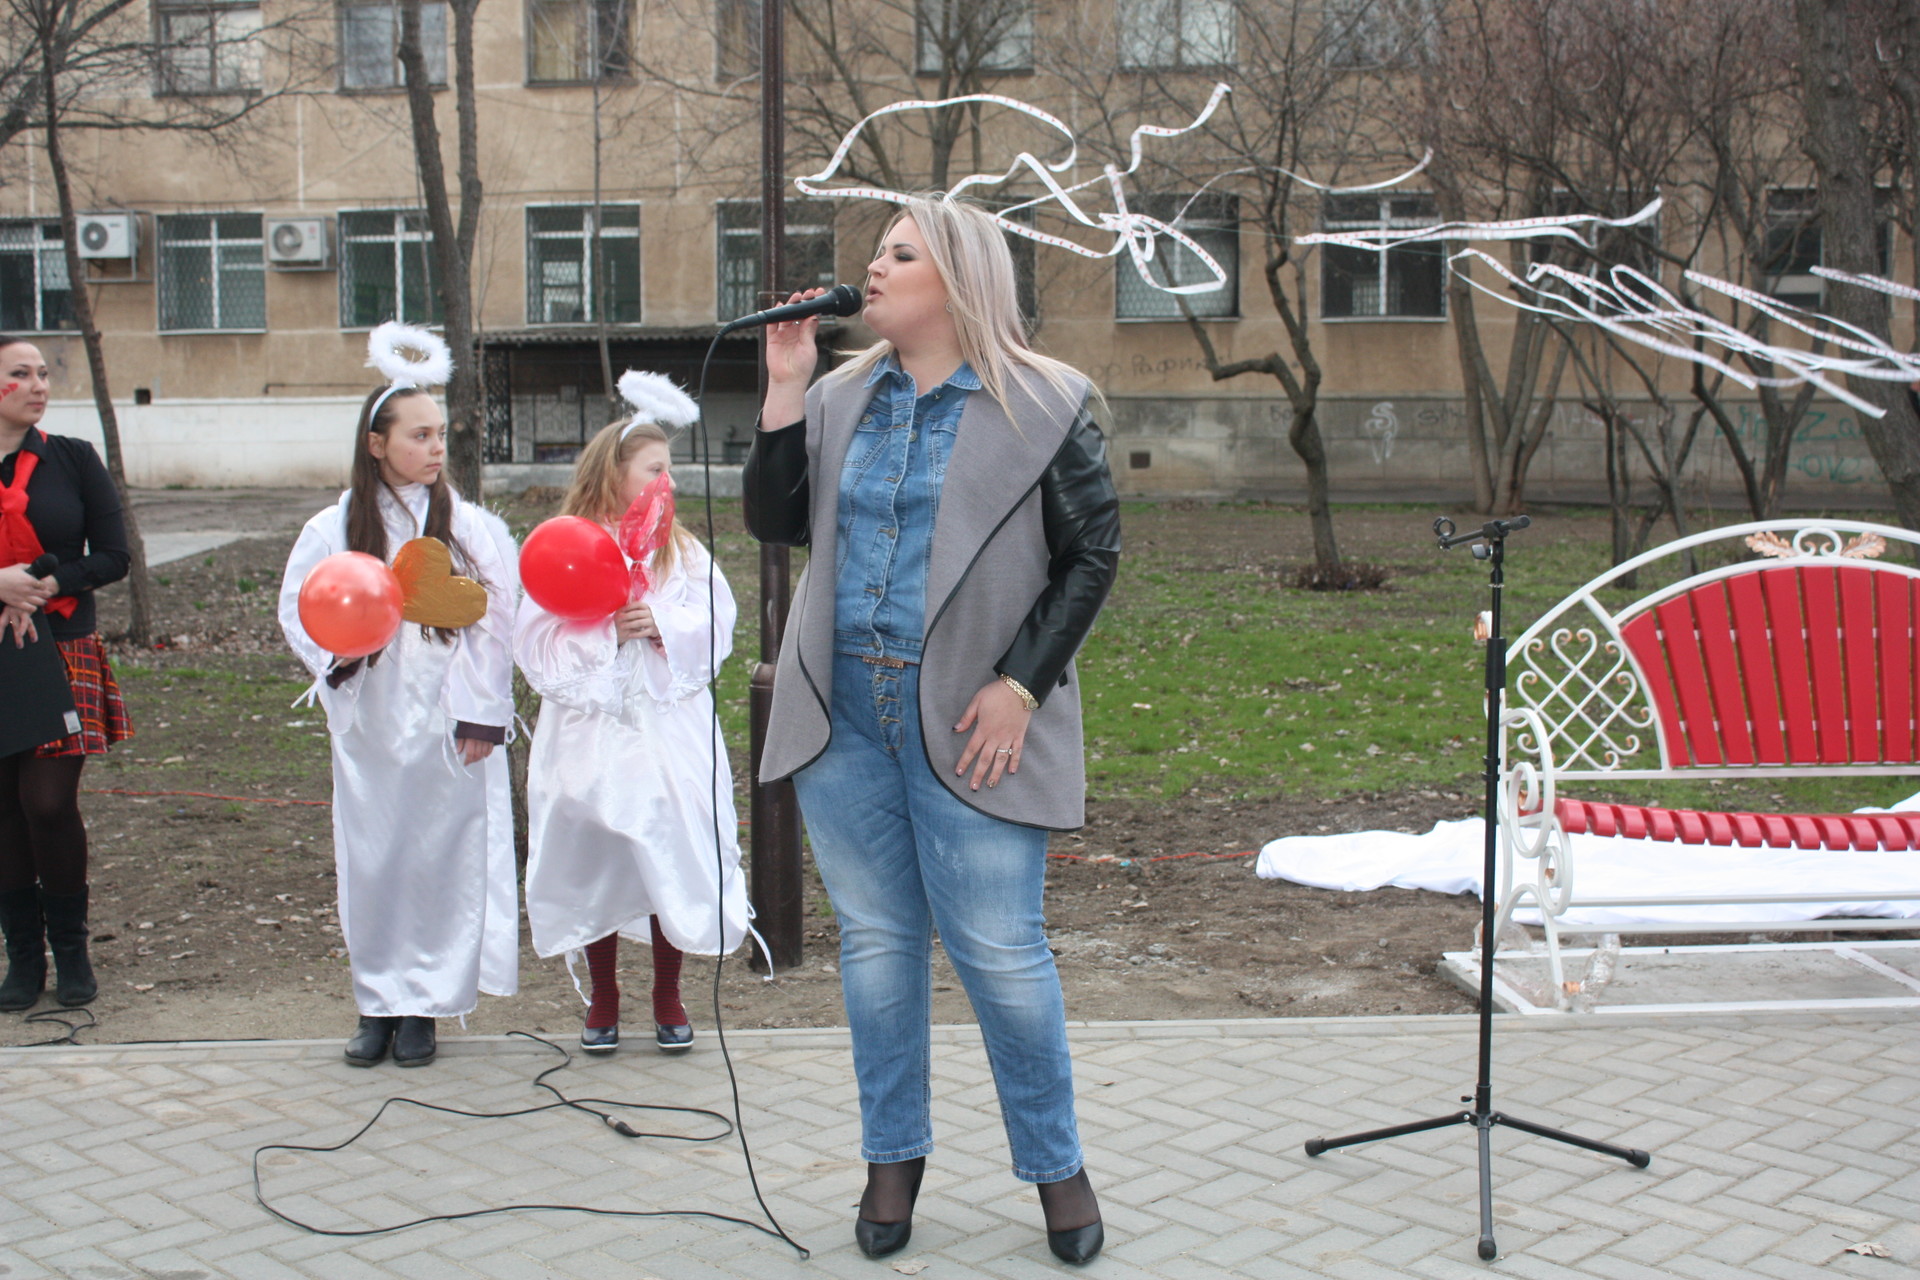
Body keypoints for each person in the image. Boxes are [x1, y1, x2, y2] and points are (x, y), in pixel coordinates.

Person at [742, 196, 1122, 1264]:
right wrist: (783, 384)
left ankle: (1057, 1167)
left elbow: (1091, 556)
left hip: (969, 717)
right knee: (876, 946)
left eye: (899, 254)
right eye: (877, 252)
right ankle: (892, 1160)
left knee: (1001, 951)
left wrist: (1021, 685)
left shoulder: (1045, 401)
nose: (873, 267)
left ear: (957, 278)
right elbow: (774, 521)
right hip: (845, 715)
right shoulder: (838, 395)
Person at [277, 326, 517, 1068]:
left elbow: (496, 622)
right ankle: (377, 999)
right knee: (375, 858)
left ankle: (428, 1005)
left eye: (440, 433)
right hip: (372, 728)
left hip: (446, 728)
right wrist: (341, 657)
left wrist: (481, 714)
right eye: (419, 435)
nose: (436, 447)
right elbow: (299, 607)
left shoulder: (466, 528)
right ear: (376, 444)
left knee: (440, 859)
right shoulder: (334, 527)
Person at [515, 374, 752, 1056]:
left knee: (663, 848)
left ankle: (667, 992)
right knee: (597, 853)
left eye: (669, 470)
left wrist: (664, 625)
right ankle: (605, 993)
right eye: (653, 469)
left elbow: (717, 619)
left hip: (665, 732)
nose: (665, 482)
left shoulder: (682, 551)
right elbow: (535, 638)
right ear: (613, 474)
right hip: (591, 735)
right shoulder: (568, 544)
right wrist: (603, 633)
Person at [0, 337, 131, 1012]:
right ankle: (23, 959)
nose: (38, 385)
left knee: (47, 803)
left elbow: (113, 555)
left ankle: (72, 951)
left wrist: (44, 585)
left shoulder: (74, 459)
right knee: (3, 809)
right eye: (19, 374)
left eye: (43, 373)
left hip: (62, 645)